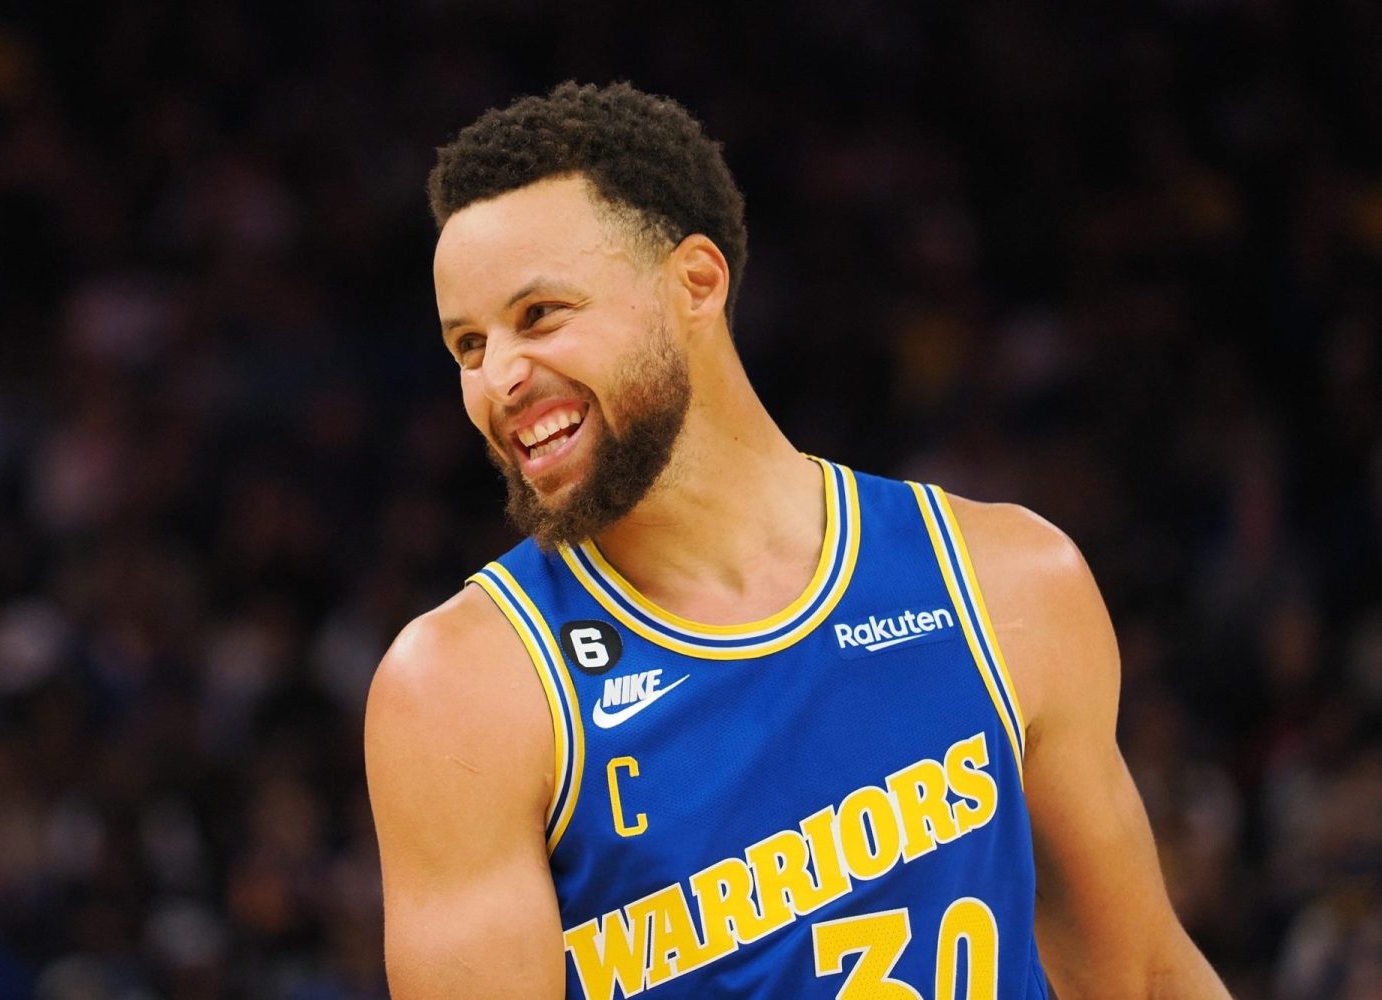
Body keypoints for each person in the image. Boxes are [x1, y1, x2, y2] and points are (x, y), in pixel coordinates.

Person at [365, 81, 1233, 1000]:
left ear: (696, 283)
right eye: (467, 345)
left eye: (540, 315)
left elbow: (1141, 976)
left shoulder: (1007, 580)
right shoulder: (464, 691)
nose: (498, 377)